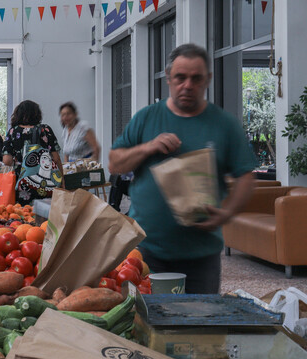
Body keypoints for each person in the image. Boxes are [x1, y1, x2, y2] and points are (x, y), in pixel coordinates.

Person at [108, 43, 257, 294]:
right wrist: (149, 147)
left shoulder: (224, 125)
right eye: (180, 77)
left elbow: (245, 177)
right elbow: (115, 162)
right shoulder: (147, 118)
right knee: (146, 325)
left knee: (201, 326)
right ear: (168, 78)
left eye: (196, 78)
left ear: (208, 79)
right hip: (145, 252)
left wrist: (226, 214)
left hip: (202, 256)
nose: (187, 85)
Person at [3, 100, 64, 204]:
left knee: (25, 214)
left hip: (23, 182)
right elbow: (56, 158)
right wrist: (62, 181)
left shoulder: (13, 131)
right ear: (37, 114)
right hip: (47, 182)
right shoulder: (45, 130)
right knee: (46, 214)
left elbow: (7, 161)